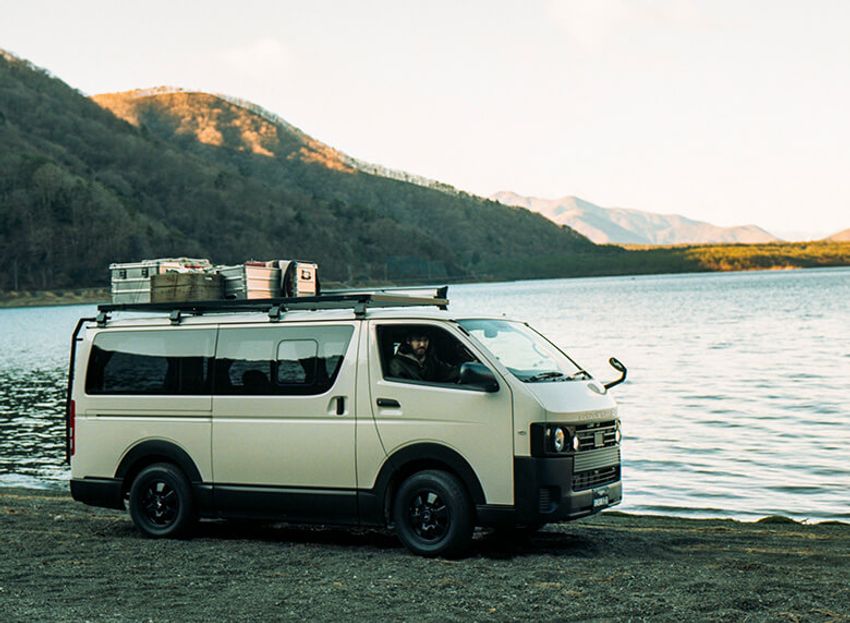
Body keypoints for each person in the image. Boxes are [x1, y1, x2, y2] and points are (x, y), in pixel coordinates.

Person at [389, 330, 459, 383]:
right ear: (408, 341)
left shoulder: (430, 360)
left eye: (425, 340)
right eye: (418, 340)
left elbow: (448, 372)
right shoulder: (397, 364)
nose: (422, 344)